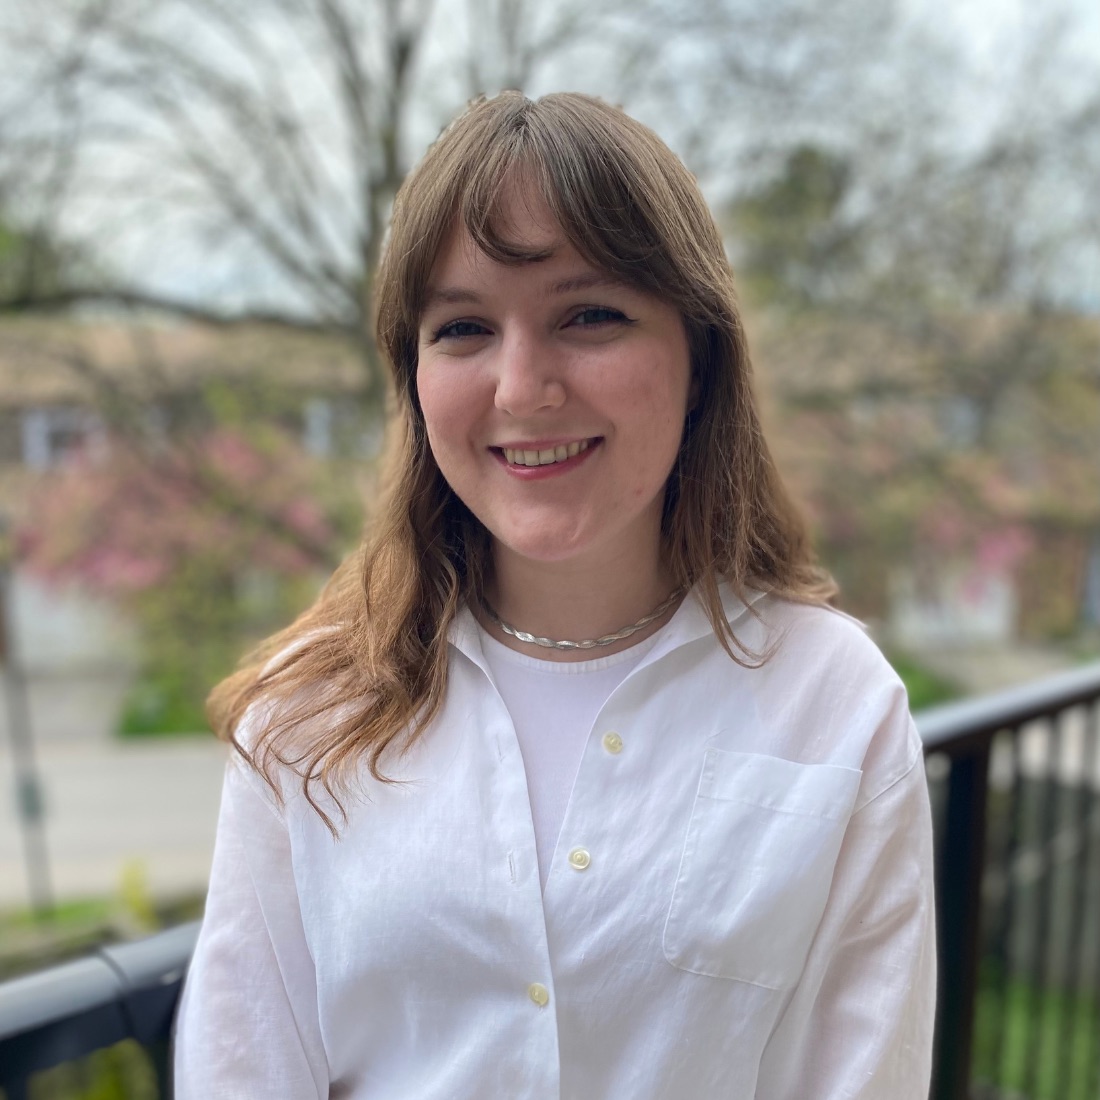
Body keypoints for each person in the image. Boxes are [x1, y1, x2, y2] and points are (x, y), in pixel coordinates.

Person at [174, 91, 936, 1099]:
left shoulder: (836, 703)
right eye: (462, 328)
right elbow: (240, 1068)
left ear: (698, 358)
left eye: (588, 315)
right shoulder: (302, 714)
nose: (522, 385)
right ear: (413, 376)